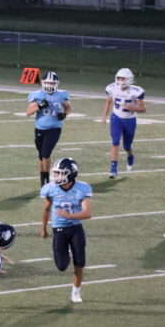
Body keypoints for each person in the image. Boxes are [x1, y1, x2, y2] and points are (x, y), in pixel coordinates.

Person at [40, 157, 93, 303]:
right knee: (61, 266)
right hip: (59, 229)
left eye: (60, 173)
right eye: (56, 173)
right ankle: (67, 253)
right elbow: (46, 209)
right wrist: (43, 227)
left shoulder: (82, 188)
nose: (56, 176)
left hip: (76, 228)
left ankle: (76, 291)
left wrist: (69, 216)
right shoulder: (51, 189)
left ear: (70, 174)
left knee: (80, 263)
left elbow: (88, 213)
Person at [26, 71, 71, 187]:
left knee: (46, 153)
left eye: (52, 83)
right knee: (41, 155)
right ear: (43, 83)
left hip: (54, 128)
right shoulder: (37, 95)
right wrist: (39, 106)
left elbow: (68, 107)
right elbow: (28, 112)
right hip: (40, 128)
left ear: (56, 84)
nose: (50, 85)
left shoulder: (61, 95)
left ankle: (47, 180)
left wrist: (64, 114)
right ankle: (43, 180)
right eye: (48, 83)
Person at [101, 68, 146, 178]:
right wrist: (104, 116)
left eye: (123, 78)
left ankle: (130, 156)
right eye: (119, 78)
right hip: (116, 118)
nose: (120, 80)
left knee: (127, 145)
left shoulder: (136, 91)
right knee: (115, 142)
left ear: (129, 79)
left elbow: (143, 109)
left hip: (130, 120)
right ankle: (113, 169)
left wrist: (132, 108)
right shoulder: (112, 88)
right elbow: (108, 102)